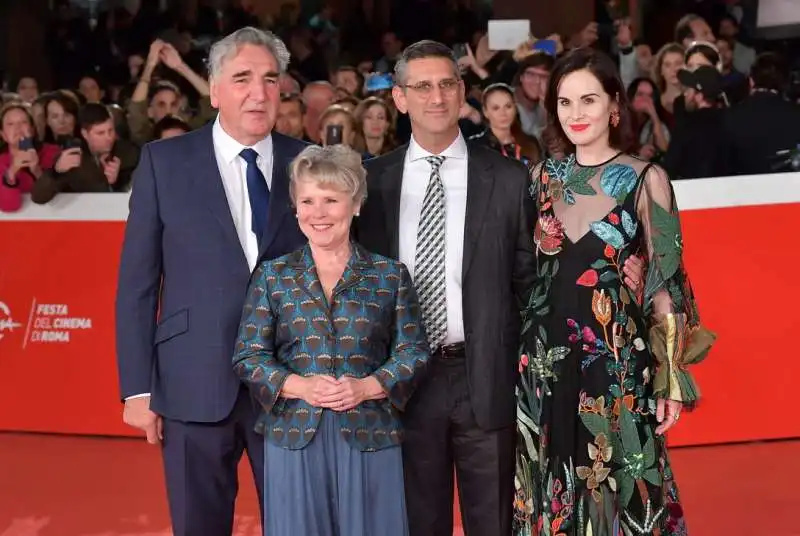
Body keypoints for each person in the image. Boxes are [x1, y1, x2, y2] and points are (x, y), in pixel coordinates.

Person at [354, 40, 645, 536]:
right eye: (421, 86)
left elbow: (537, 281)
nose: (437, 97)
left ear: (462, 89)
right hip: (402, 383)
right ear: (399, 99)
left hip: (486, 379)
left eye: (447, 83)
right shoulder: (371, 182)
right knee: (416, 522)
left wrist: (621, 276)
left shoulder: (513, 180)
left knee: (495, 522)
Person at [115, 27, 308, 536]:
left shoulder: (310, 163)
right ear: (214, 89)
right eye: (242, 78)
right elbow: (137, 283)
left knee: (299, 525)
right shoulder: (164, 162)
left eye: (270, 79)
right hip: (190, 381)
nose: (258, 92)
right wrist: (137, 388)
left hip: (293, 384)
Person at [516, 47, 715, 535]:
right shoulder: (539, 180)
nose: (576, 114)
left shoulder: (648, 180)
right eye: (565, 103)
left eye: (588, 100)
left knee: (627, 487)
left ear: (614, 104)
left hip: (618, 360)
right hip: (545, 365)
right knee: (553, 488)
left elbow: (666, 284)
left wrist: (669, 379)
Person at [232, 144, 430, 536]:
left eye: (330, 200)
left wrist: (367, 387)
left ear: (355, 204)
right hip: (293, 436)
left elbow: (413, 351)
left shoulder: (388, 275)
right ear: (295, 207)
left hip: (370, 432)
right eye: (307, 200)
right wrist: (300, 385)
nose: (317, 213)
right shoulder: (273, 276)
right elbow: (248, 356)